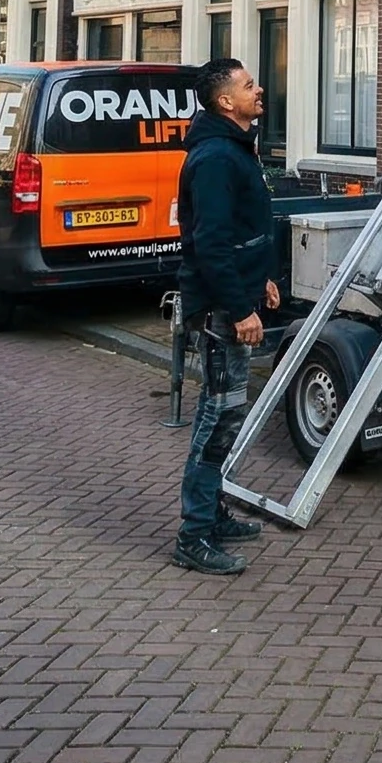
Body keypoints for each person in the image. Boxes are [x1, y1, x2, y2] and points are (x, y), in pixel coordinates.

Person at [171, 56, 280, 575]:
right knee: (218, 415)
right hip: (220, 310)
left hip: (233, 298)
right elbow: (211, 243)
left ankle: (211, 515)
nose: (258, 90)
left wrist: (260, 282)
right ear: (224, 101)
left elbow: (240, 230)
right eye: (248, 85)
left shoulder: (234, 146)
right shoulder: (216, 157)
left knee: (224, 413)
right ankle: (193, 535)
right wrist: (239, 308)